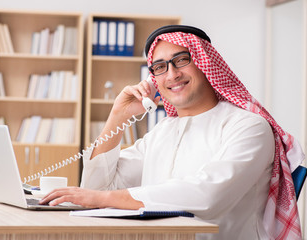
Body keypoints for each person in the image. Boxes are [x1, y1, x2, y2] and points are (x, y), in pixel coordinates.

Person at [40, 25, 304, 239]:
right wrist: (117, 115)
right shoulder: (163, 130)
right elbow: (95, 188)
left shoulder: (248, 126)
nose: (172, 74)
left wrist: (102, 198)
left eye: (181, 60)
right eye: (160, 67)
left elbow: (208, 196)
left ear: (204, 63)